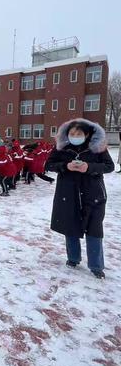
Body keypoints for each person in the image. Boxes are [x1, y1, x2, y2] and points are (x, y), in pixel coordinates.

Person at [45, 118, 114, 279]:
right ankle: (73, 258)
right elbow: (49, 164)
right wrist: (65, 166)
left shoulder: (98, 148)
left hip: (93, 194)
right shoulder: (61, 147)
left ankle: (96, 266)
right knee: (71, 227)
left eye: (78, 133)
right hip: (68, 194)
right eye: (72, 133)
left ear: (87, 134)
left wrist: (89, 167)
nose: (75, 136)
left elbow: (109, 166)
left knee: (94, 230)